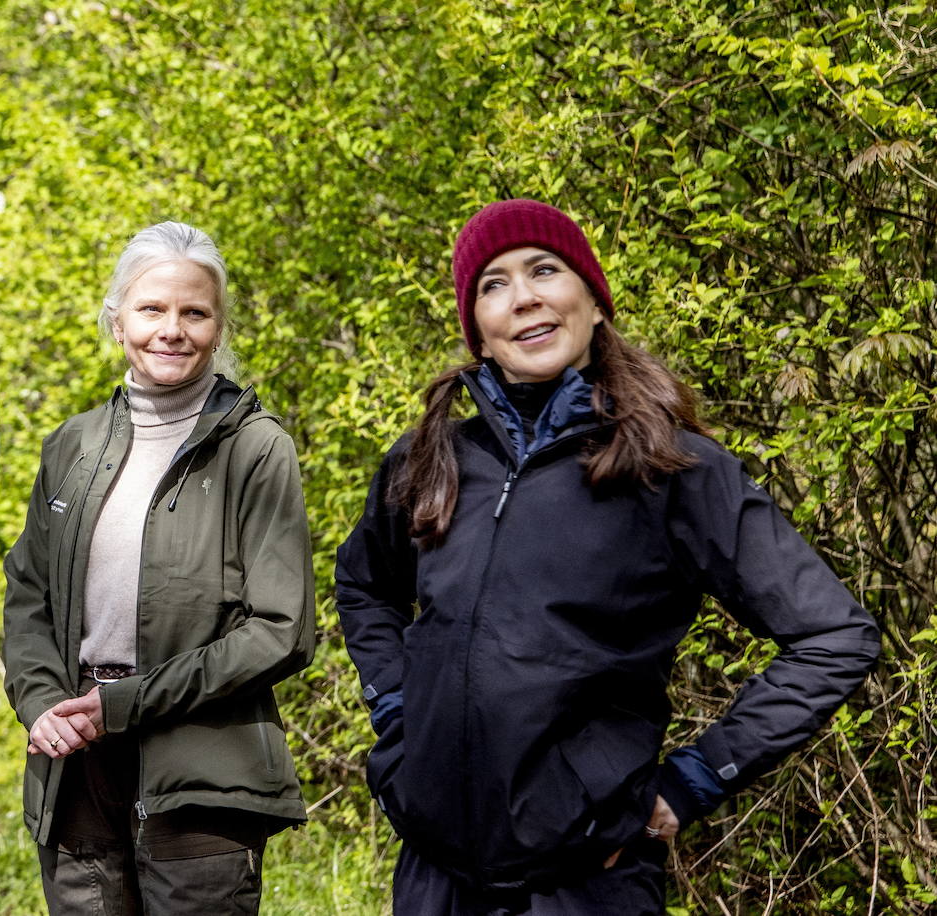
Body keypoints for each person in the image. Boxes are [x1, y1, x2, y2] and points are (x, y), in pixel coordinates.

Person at [335, 199, 880, 915]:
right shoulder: (434, 456)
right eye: (493, 285)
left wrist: (695, 780)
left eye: (543, 270)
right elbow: (364, 584)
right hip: (434, 876)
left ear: (592, 299)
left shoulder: (675, 470)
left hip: (585, 879)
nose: (523, 297)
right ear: (478, 330)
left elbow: (833, 636)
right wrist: (401, 714)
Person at [1, 221, 315, 915]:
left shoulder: (257, 450)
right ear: (118, 321)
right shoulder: (72, 445)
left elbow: (281, 630)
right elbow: (28, 595)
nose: (171, 329)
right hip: (76, 764)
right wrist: (40, 702)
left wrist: (127, 705)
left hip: (205, 771)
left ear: (218, 326)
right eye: (151, 309)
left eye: (194, 312)